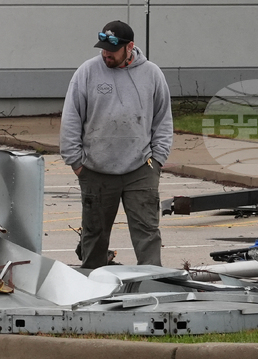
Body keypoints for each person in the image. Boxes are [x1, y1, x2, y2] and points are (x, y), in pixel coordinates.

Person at [59, 20, 173, 270]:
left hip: (141, 168)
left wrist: (157, 161)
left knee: (147, 233)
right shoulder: (87, 72)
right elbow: (71, 118)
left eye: (112, 50)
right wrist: (76, 163)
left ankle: (152, 283)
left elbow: (163, 119)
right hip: (96, 170)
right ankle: (91, 287)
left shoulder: (152, 74)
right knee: (94, 235)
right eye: (103, 49)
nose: (105, 54)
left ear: (129, 47)